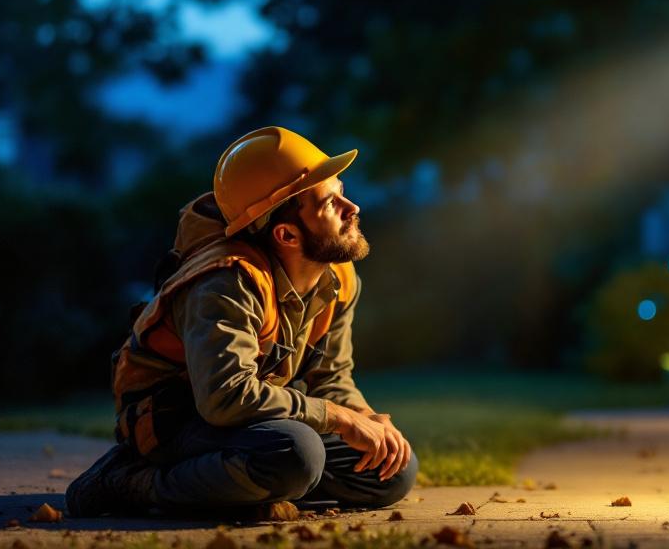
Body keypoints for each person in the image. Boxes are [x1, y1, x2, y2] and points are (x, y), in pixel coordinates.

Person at [67, 126, 416, 518]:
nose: (352, 208)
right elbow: (224, 398)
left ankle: (237, 488)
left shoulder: (337, 279)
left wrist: (366, 420)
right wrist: (338, 418)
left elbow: (332, 377)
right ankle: (133, 483)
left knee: (393, 468)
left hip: (249, 419)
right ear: (286, 234)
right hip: (175, 419)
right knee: (297, 453)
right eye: (330, 203)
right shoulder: (226, 282)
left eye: (342, 192)